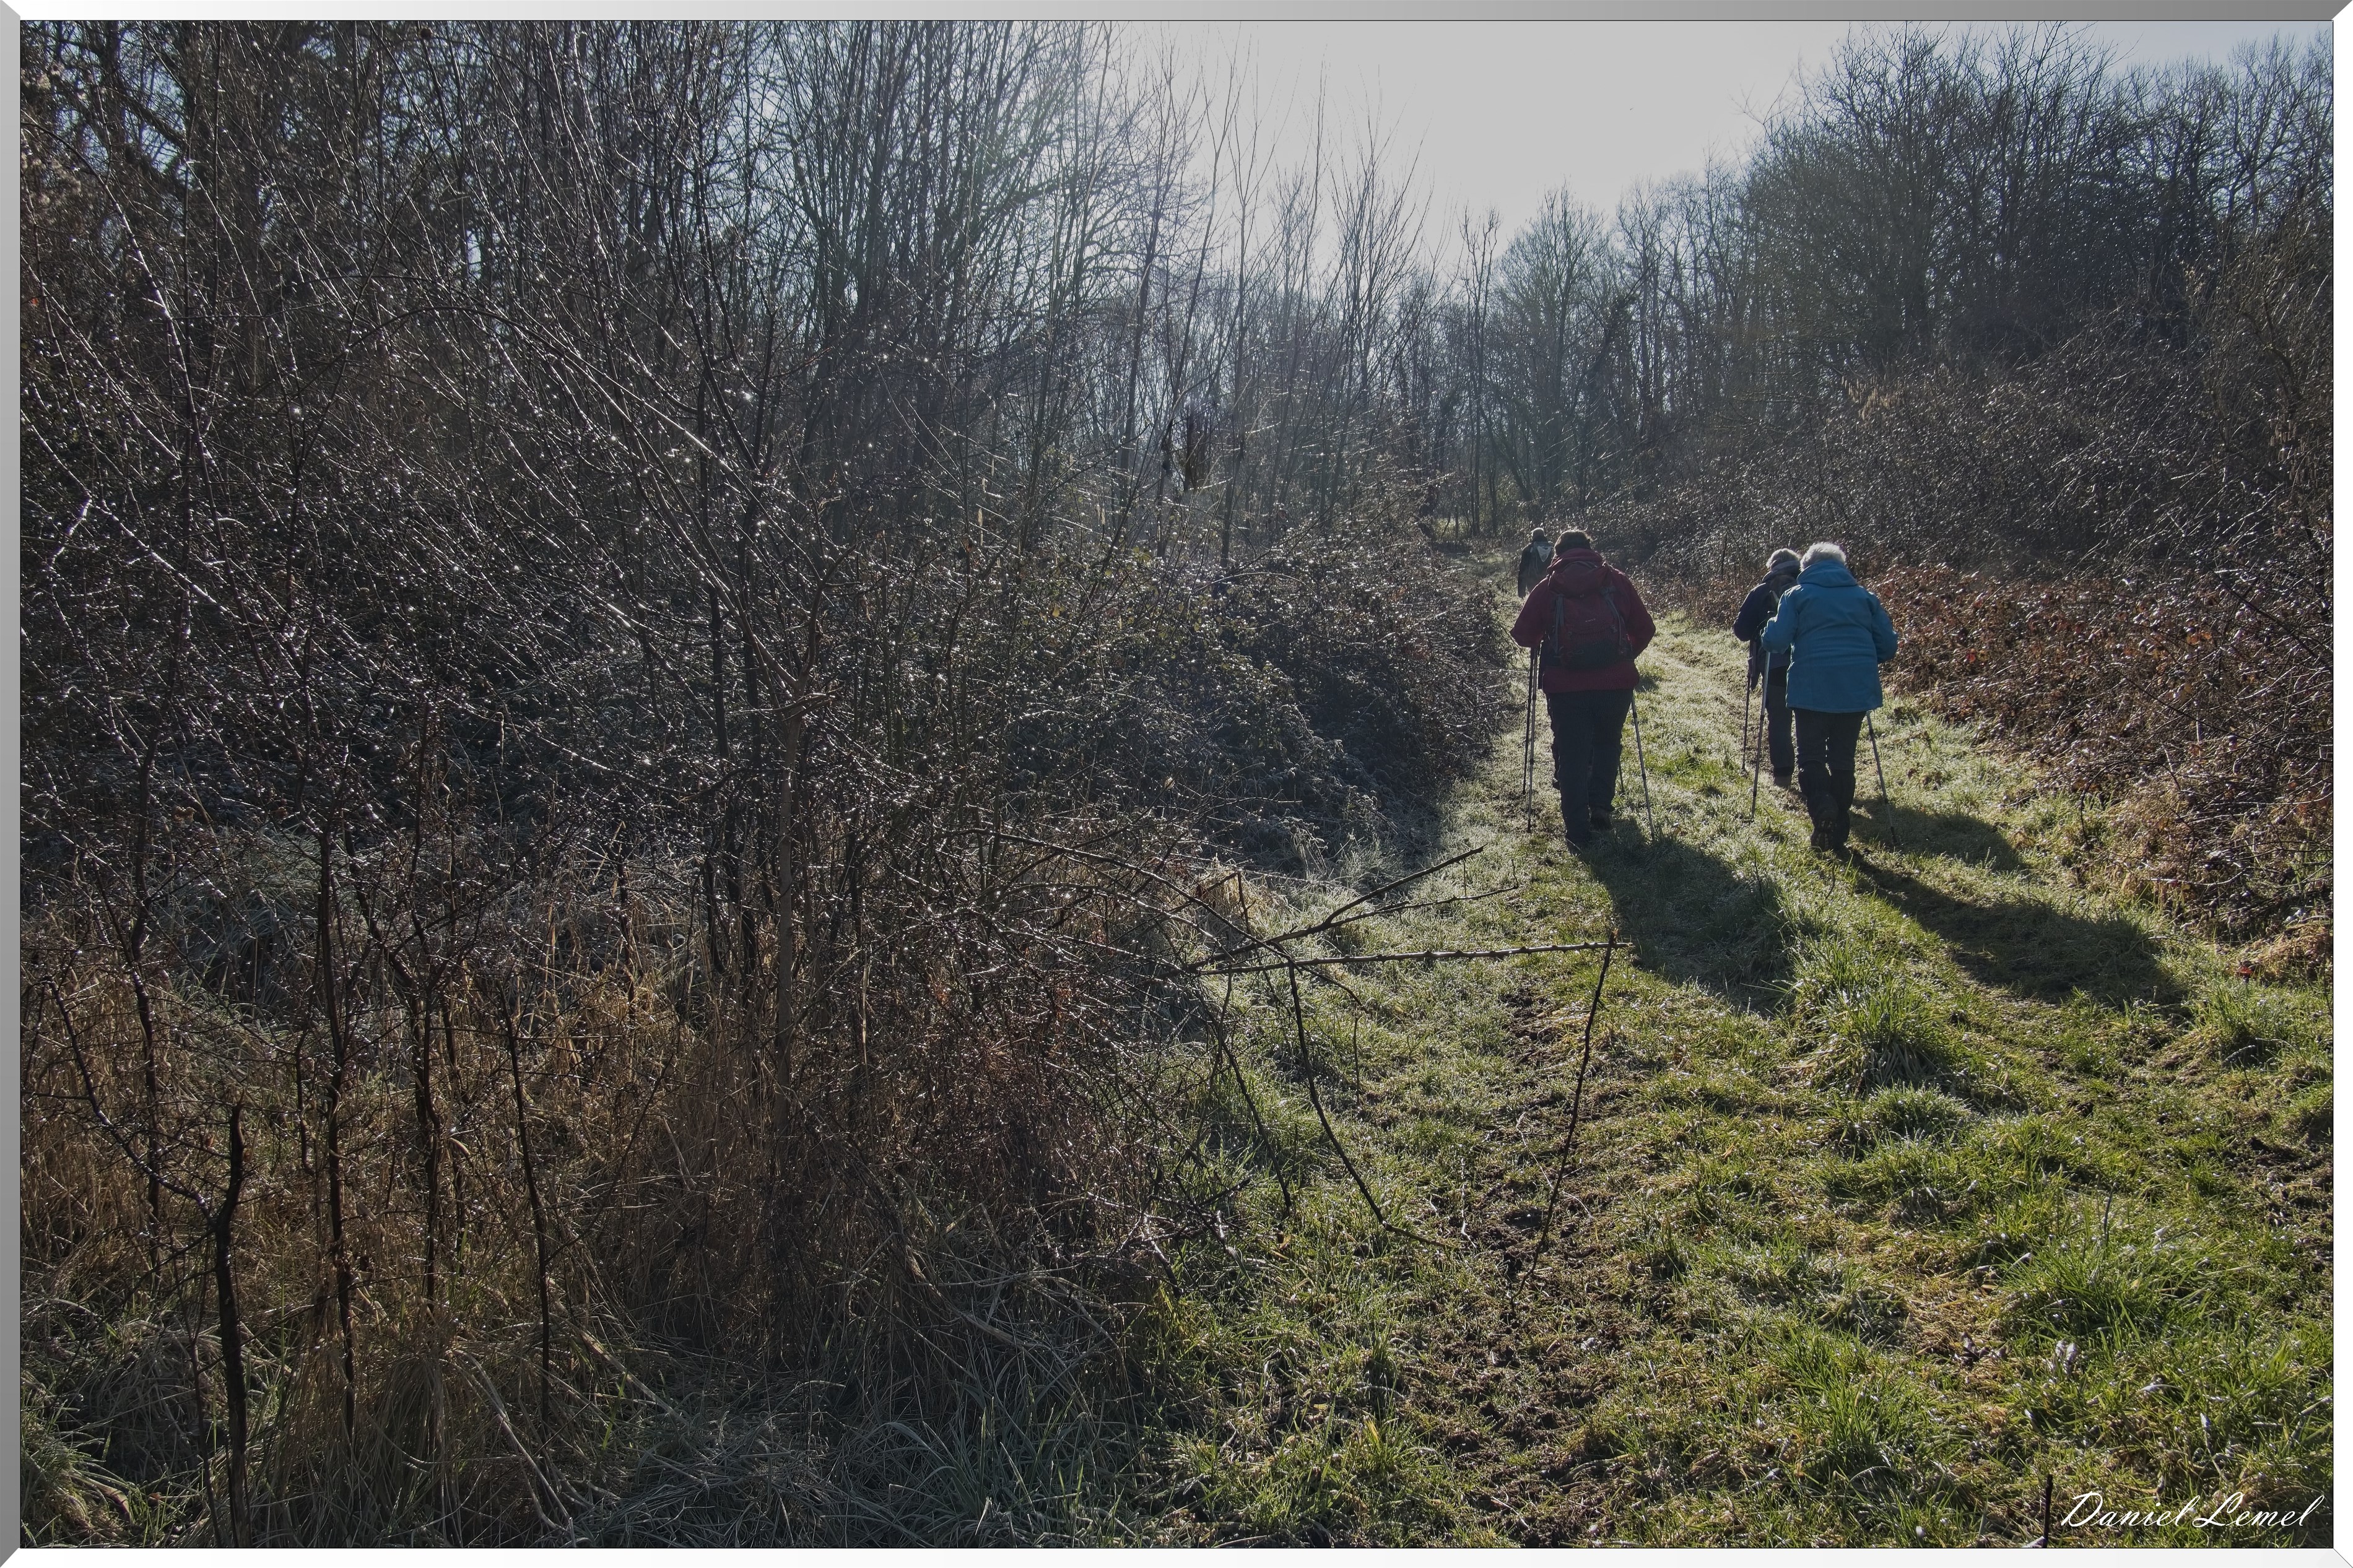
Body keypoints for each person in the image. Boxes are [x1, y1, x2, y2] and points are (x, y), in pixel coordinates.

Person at [1510, 529, 1656, 851]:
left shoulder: (1549, 587)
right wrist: (1624, 654)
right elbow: (1646, 628)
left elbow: (1522, 634)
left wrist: (1547, 642)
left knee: (1573, 755)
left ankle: (1577, 831)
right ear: (1591, 550)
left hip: (1565, 687)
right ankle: (1601, 807)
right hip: (1615, 683)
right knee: (1607, 743)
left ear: (1558, 553)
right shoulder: (1615, 580)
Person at [1757, 542, 1898, 852]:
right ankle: (1839, 828)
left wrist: (1768, 630)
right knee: (1843, 760)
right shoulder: (1865, 598)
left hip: (1811, 689)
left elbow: (1777, 641)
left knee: (1811, 757)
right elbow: (1888, 647)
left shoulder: (1797, 595)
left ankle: (1822, 808)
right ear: (1842, 567)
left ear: (1806, 568)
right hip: (1855, 690)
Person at [1731, 548, 1803, 786]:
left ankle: (1783, 777)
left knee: (1779, 720)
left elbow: (1741, 631)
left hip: (1776, 663)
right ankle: (1813, 773)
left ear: (1772, 566)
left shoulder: (1761, 592)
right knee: (1810, 719)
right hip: (1809, 662)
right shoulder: (1810, 588)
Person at [1515, 527, 1555, 595]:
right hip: (1550, 581)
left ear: (1533, 536)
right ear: (1544, 535)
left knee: (1536, 602)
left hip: (1533, 582)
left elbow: (1523, 570)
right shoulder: (1553, 548)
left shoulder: (1528, 549)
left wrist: (1521, 591)